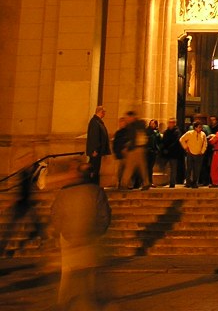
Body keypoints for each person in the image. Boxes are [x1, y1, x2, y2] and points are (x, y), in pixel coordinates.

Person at [50, 160, 111, 309]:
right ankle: (92, 299)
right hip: (91, 236)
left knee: (67, 273)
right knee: (91, 271)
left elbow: (55, 215)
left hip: (68, 237)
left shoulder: (64, 193)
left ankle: (62, 301)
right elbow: (105, 216)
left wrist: (61, 232)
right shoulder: (96, 191)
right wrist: (98, 232)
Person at [121, 111, 150, 189]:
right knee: (142, 167)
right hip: (141, 148)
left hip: (134, 149)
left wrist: (128, 147)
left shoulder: (132, 126)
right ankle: (146, 183)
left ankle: (124, 183)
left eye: (128, 117)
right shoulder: (140, 124)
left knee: (129, 167)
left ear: (131, 117)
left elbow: (132, 138)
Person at [180, 120, 209, 188]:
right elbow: (182, 139)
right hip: (190, 153)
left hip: (199, 154)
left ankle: (195, 182)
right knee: (189, 169)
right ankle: (188, 182)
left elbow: (205, 143)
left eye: (201, 127)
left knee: (197, 169)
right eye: (199, 127)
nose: (200, 128)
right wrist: (186, 148)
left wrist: (202, 151)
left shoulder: (203, 134)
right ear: (195, 127)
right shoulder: (189, 133)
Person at [85, 106, 110, 184]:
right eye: (104, 112)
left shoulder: (97, 122)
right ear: (101, 112)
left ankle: (94, 183)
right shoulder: (95, 122)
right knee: (94, 168)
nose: (104, 114)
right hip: (96, 151)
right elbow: (94, 136)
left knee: (95, 167)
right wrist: (95, 150)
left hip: (98, 150)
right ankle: (92, 183)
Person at [159, 118, 183, 187]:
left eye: (171, 122)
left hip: (174, 153)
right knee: (164, 167)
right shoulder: (166, 131)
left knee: (173, 168)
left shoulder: (177, 132)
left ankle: (172, 182)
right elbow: (163, 141)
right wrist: (164, 148)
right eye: (169, 122)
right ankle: (165, 181)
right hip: (166, 153)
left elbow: (176, 141)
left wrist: (168, 148)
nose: (170, 124)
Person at [111, 116, 131, 188]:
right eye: (120, 122)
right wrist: (116, 153)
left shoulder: (128, 132)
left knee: (126, 170)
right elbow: (115, 144)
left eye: (123, 122)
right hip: (120, 155)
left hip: (126, 154)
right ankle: (119, 183)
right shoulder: (118, 133)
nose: (121, 124)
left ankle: (125, 184)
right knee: (120, 170)